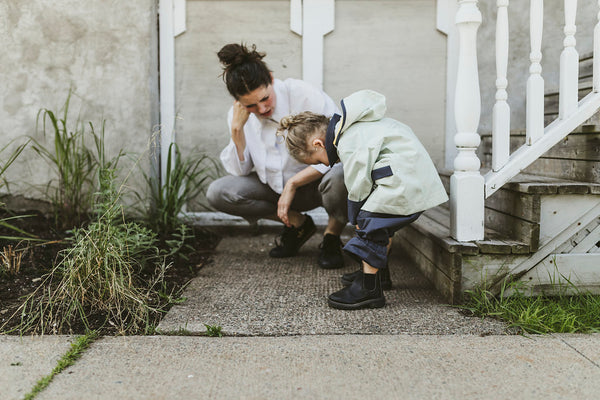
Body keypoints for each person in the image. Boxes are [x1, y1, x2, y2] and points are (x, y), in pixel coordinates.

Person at [278, 89, 449, 309]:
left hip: (405, 183)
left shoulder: (348, 141)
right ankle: (379, 276)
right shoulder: (358, 128)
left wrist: (356, 214)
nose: (325, 165)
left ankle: (369, 290)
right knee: (380, 225)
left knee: (370, 224)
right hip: (411, 180)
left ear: (319, 144)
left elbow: (357, 183)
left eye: (317, 160)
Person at [206, 43, 348, 269]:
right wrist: (237, 130)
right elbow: (240, 172)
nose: (261, 109)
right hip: (274, 189)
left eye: (265, 99)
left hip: (318, 184)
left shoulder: (302, 94)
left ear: (271, 79)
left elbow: (340, 151)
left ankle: (332, 236)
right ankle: (298, 224)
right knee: (219, 192)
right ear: (238, 103)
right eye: (250, 105)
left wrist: (294, 183)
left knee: (343, 175)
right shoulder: (238, 118)